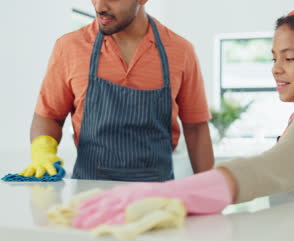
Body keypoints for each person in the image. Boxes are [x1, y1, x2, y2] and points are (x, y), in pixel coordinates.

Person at [72, 7, 294, 229]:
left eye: (290, 58)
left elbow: (259, 171)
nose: (276, 68)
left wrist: (164, 193)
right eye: (275, 58)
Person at [19, 0, 214, 181]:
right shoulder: (70, 47)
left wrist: (208, 189)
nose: (100, 6)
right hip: (89, 192)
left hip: (156, 195)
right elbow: (50, 115)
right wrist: (42, 150)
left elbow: (195, 128)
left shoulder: (180, 50)